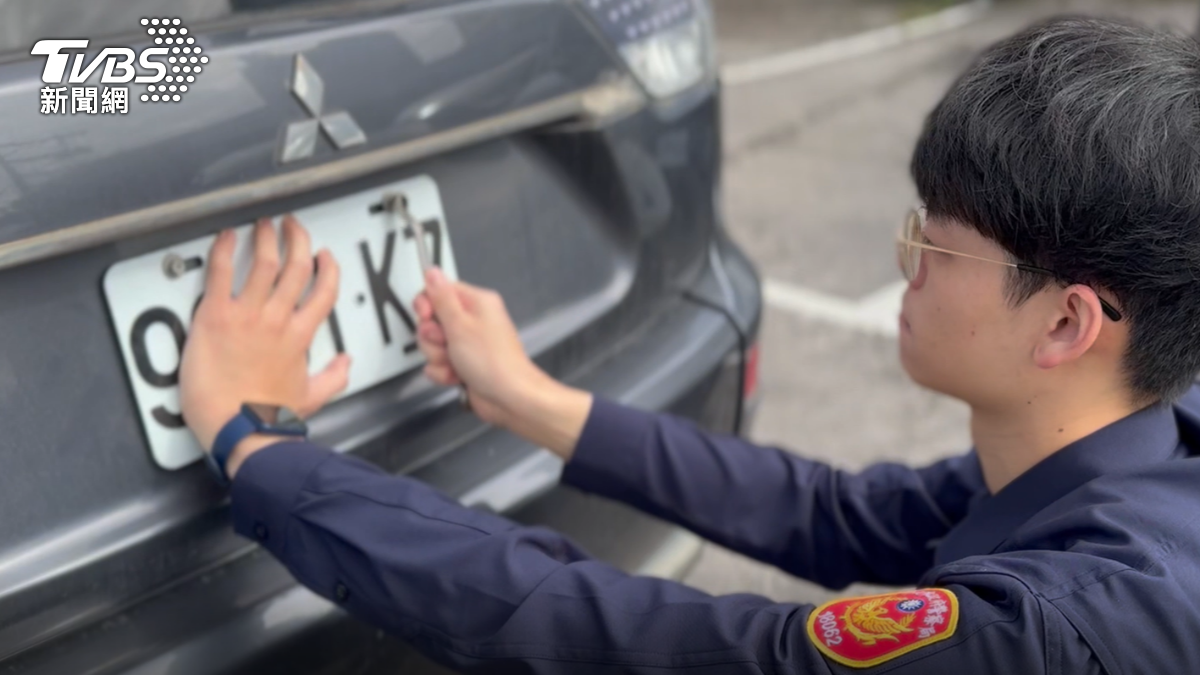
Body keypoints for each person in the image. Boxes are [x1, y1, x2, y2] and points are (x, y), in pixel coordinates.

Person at [178, 16, 1200, 674]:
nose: (908, 266)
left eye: (931, 242)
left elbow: (628, 643)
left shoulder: (1057, 634)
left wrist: (265, 449)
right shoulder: (1124, 449)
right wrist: (530, 398)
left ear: (1068, 321)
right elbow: (841, 516)